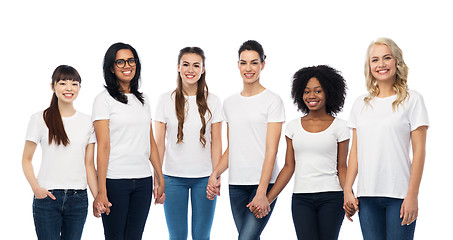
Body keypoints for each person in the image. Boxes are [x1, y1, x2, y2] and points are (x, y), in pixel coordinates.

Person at [343, 38, 429, 240]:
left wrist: (412, 195)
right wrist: (348, 190)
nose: (381, 64)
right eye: (375, 60)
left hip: (399, 196)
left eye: (386, 58)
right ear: (369, 66)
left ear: (396, 61)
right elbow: (355, 151)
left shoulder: (412, 100)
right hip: (367, 196)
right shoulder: (360, 104)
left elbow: (419, 152)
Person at [256, 65, 350, 240]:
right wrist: (267, 199)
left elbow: (342, 167)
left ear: (328, 92)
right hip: (301, 199)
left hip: (332, 197)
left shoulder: (341, 126)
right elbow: (288, 167)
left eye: (318, 91)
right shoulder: (293, 127)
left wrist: (348, 195)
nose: (311, 96)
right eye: (307, 91)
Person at [207, 40, 285, 240]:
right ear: (238, 65)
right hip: (237, 184)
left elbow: (272, 151)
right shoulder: (230, 103)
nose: (248, 68)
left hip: (264, 184)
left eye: (253, 62)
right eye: (243, 63)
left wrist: (262, 192)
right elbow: (233, 148)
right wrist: (215, 173)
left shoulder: (273, 101)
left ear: (262, 64)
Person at [92, 42, 165, 239]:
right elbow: (103, 146)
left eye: (131, 60)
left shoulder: (143, 99)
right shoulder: (103, 99)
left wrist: (159, 175)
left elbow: (150, 142)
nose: (127, 65)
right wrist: (101, 190)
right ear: (111, 68)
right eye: (121, 62)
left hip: (143, 181)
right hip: (115, 181)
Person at [22, 65, 98, 240]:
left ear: (80, 87)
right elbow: (26, 160)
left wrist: (97, 197)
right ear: (53, 86)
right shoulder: (40, 118)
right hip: (47, 197)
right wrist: (37, 189)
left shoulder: (88, 121)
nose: (69, 88)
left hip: (78, 198)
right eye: (63, 83)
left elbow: (89, 165)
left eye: (74, 83)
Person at [154, 47, 222, 240]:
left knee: (202, 236)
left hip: (204, 179)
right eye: (186, 64)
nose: (190, 70)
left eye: (196, 65)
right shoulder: (164, 100)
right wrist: (157, 179)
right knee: (177, 236)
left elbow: (217, 143)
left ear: (203, 69)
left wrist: (216, 177)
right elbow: (159, 144)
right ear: (178, 67)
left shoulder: (214, 101)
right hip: (173, 179)